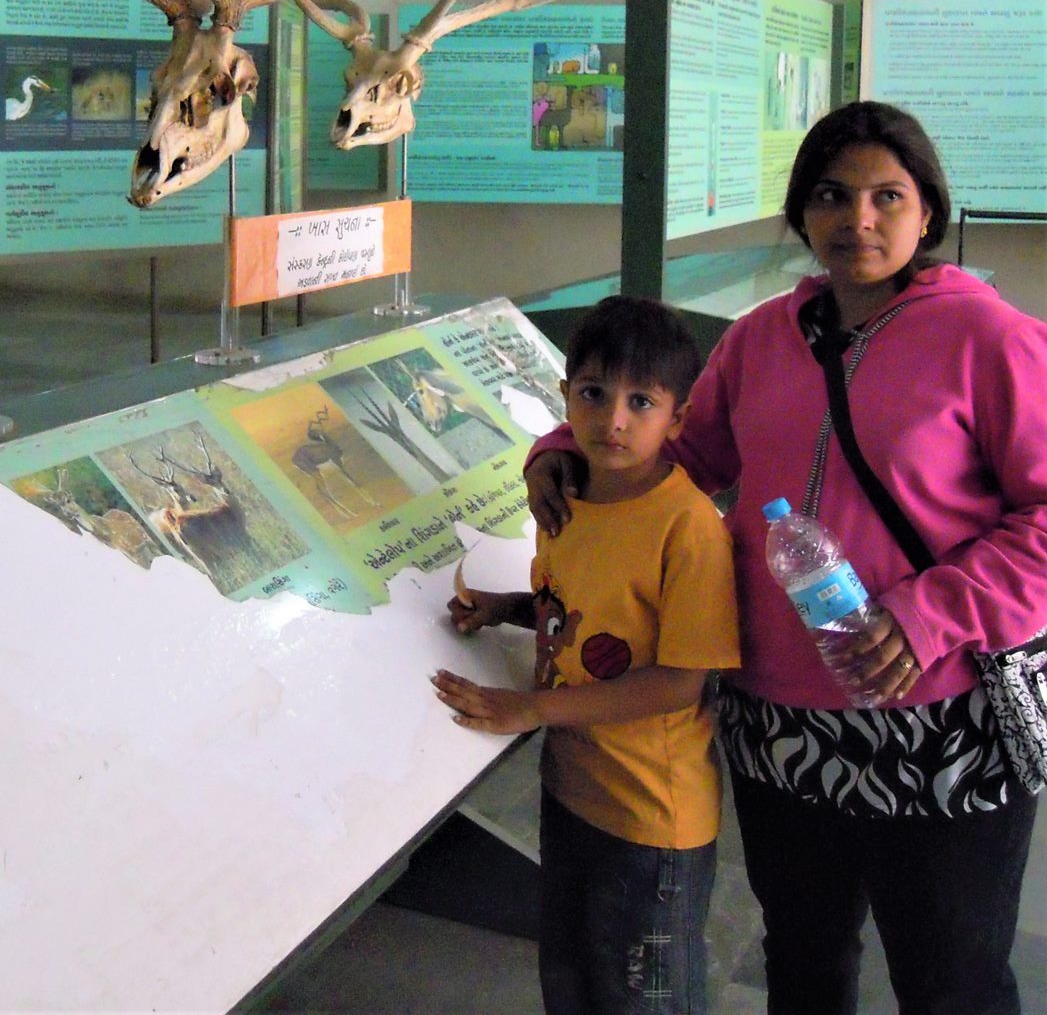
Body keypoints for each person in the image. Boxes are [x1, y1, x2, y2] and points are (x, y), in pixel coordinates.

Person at [525, 101, 1047, 1015]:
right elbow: (679, 453)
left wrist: (930, 611)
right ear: (802, 214)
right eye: (832, 196)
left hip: (937, 719)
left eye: (888, 196)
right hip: (779, 724)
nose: (859, 219)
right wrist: (558, 450)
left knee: (951, 980)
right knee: (802, 960)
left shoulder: (989, 339)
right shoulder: (767, 335)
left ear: (928, 211)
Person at [433, 296, 740, 1014]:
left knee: (640, 1000)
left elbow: (677, 682)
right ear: (563, 393)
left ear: (678, 418)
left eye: (641, 400)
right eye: (593, 394)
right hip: (572, 793)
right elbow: (573, 604)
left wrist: (531, 708)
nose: (613, 420)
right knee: (571, 986)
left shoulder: (687, 526)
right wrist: (507, 608)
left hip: (650, 823)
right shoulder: (565, 497)